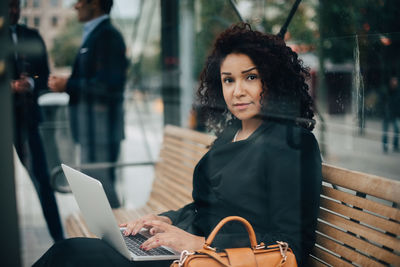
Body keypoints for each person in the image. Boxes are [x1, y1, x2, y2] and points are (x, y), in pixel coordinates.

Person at [34, 23, 322, 267]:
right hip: (186, 254)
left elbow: (291, 246)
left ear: (273, 79)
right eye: (228, 80)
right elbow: (204, 208)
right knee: (73, 252)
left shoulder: (292, 144)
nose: (237, 91)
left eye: (250, 77)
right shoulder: (231, 135)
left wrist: (199, 243)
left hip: (214, 260)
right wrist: (164, 221)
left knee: (71, 254)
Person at [48, 0, 128, 208]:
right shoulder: (97, 34)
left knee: (102, 193)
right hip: (93, 130)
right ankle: (113, 237)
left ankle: (121, 237)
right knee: (97, 194)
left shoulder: (106, 36)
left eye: (79, 1)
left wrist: (68, 84)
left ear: (94, 3)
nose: (75, 6)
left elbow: (106, 86)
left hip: (100, 131)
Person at [9, 0, 64, 242]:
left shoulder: (30, 35)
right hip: (5, 118)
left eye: (16, 5)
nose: (14, 11)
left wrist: (31, 82)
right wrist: (8, 87)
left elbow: (43, 75)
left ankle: (59, 240)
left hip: (27, 120)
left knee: (42, 180)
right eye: (9, 6)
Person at [382, 76, 399, 153]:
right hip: (386, 114)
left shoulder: (397, 92)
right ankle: (385, 145)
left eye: (395, 81)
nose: (394, 83)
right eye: (393, 81)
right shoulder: (386, 91)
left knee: (397, 129)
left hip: (395, 114)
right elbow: (382, 101)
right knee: (385, 130)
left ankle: (395, 145)